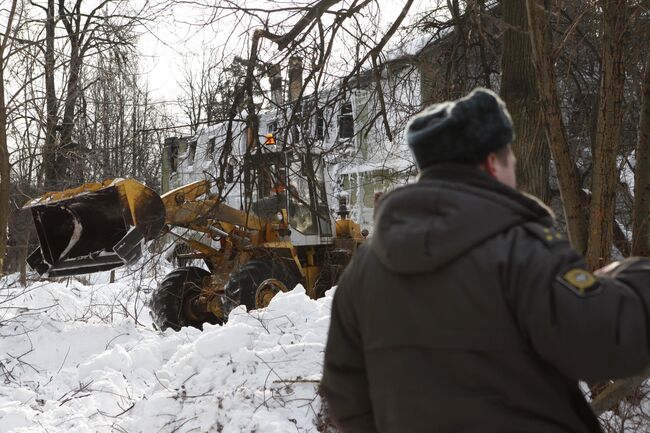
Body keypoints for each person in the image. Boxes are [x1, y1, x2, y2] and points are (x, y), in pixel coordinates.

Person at [321, 88, 650, 433]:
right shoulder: (520, 249)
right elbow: (605, 341)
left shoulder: (364, 269)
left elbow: (343, 387)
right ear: (493, 163)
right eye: (511, 161)